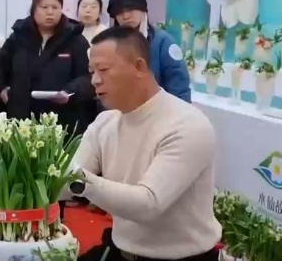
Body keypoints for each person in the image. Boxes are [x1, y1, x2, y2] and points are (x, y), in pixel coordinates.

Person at [71, 26, 220, 261]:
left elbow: (148, 204)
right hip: (120, 250)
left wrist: (77, 181)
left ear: (139, 67)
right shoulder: (105, 121)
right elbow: (68, 178)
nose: (95, 80)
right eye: (91, 71)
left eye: (104, 70)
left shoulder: (187, 124)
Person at [0, 0, 94, 130]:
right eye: (44, 7)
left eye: (55, 7)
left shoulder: (75, 39)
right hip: (22, 121)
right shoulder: (18, 37)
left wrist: (69, 92)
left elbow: (88, 77)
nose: (50, 12)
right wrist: (1, 89)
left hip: (62, 121)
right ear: (34, 9)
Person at [107, 0, 191, 103]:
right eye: (120, 12)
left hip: (159, 112)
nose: (126, 16)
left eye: (131, 10)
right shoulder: (108, 44)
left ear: (143, 11)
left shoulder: (163, 42)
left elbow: (179, 86)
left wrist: (179, 116)